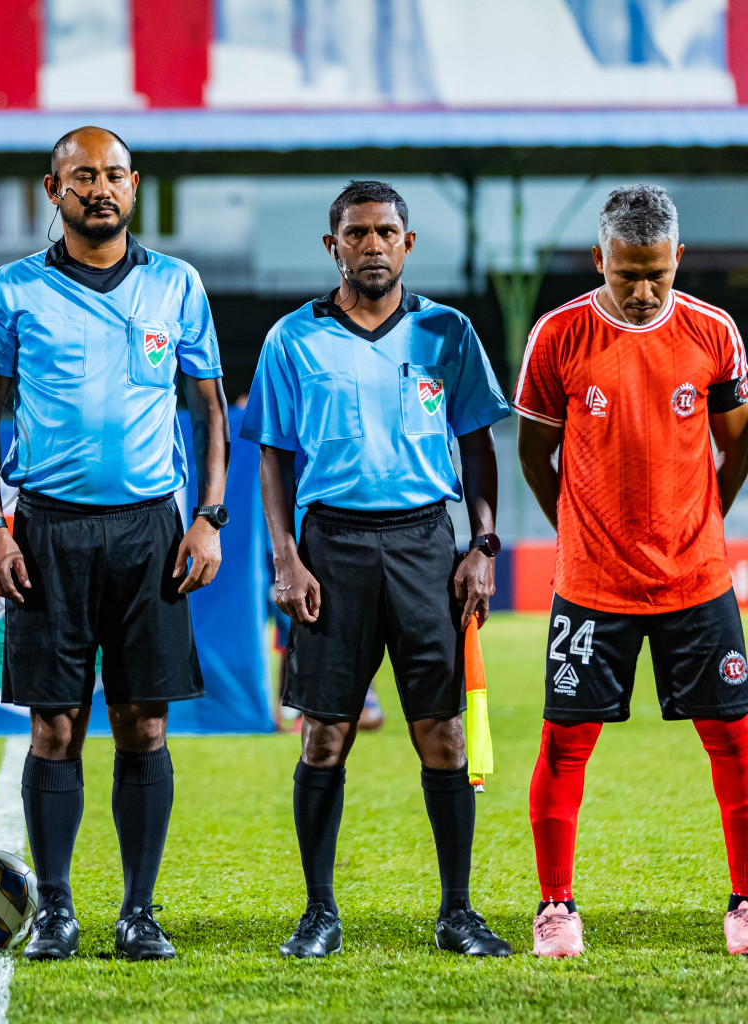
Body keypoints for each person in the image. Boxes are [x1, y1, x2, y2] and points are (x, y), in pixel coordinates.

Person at [0, 126, 228, 962]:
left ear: (135, 184)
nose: (100, 189)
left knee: (144, 725)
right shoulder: (10, 292)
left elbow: (212, 411)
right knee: (55, 726)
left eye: (114, 174)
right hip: (46, 528)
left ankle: (139, 911)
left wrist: (209, 517)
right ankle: (56, 910)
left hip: (151, 528)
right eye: (83, 177)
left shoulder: (177, 286)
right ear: (53, 189)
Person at [242, 180, 512, 959]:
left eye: (385, 232)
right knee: (323, 736)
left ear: (408, 243)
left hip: (428, 546)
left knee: (444, 736)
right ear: (333, 246)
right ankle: (318, 912)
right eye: (355, 233)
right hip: (331, 549)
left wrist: (482, 547)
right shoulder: (292, 338)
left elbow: (478, 447)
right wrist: (286, 558)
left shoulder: (448, 333)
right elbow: (274, 455)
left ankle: (457, 912)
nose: (371, 245)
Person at [516, 185, 748, 958]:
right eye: (627, 276)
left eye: (658, 274)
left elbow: (737, 443)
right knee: (564, 743)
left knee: (736, 740)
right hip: (591, 588)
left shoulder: (715, 334)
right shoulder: (558, 336)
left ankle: (744, 901)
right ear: (599, 260)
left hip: (697, 581)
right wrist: (577, 531)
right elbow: (533, 454)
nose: (645, 292)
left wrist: (705, 522)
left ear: (678, 257)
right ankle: (556, 907)